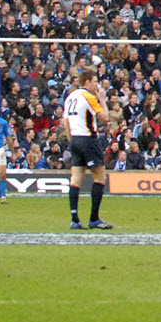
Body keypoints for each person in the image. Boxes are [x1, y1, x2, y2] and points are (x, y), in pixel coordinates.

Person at [63, 67, 111, 230]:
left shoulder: (70, 97)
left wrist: (71, 141)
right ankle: (94, 218)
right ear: (87, 81)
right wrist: (102, 100)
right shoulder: (88, 96)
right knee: (100, 178)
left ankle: (75, 219)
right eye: (95, 82)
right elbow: (104, 117)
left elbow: (66, 122)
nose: (97, 86)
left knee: (76, 179)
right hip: (88, 139)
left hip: (75, 139)